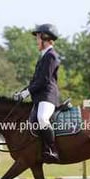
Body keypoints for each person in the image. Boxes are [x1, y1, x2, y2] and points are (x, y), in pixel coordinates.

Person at [13, 24, 61, 163]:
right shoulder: (43, 56)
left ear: (45, 38)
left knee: (42, 118)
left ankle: (52, 149)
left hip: (48, 96)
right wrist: (23, 92)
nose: (36, 41)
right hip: (40, 97)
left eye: (38, 38)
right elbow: (35, 80)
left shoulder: (51, 56)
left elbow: (44, 80)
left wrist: (27, 92)